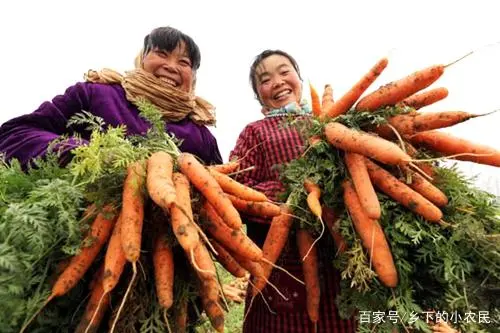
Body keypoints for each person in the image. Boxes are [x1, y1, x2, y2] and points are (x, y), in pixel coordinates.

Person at [229, 49, 356, 333]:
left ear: (299, 78)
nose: (277, 81)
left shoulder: (331, 123)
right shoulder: (255, 132)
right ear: (259, 96)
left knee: (343, 319)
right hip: (279, 265)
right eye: (265, 79)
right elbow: (236, 189)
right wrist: (288, 199)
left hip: (339, 259)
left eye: (284, 71)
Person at [0, 26, 222, 167]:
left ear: (192, 76)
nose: (171, 66)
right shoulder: (94, 94)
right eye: (161, 54)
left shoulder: (202, 136)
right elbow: (15, 135)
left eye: (183, 62)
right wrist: (81, 153)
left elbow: (225, 196)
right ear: (142, 59)